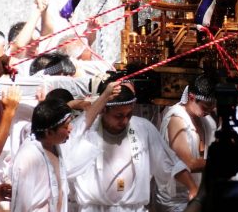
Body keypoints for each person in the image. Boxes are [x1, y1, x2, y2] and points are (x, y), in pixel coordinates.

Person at [71, 82, 197, 212]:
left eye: (129, 115)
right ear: (103, 110)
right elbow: (69, 149)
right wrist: (102, 99)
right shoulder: (86, 132)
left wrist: (193, 188)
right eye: (119, 116)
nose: (125, 121)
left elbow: (169, 162)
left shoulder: (143, 128)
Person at [155, 74, 218, 212]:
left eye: (212, 107)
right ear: (191, 97)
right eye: (205, 107)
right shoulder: (176, 119)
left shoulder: (206, 119)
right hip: (176, 199)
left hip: (200, 192)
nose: (208, 111)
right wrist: (221, 162)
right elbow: (189, 163)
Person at [10, 99, 73, 212]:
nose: (71, 129)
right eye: (66, 126)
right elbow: (20, 206)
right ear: (49, 132)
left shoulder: (56, 146)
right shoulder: (28, 157)